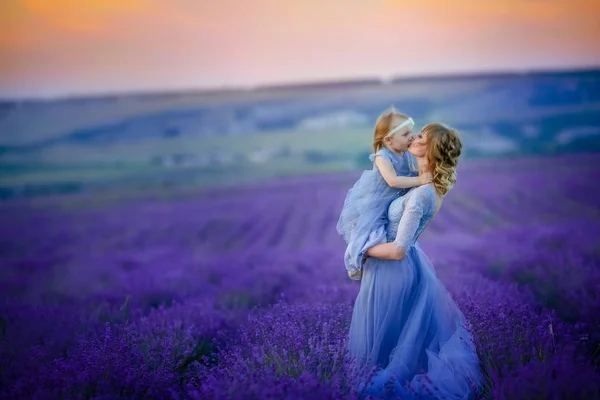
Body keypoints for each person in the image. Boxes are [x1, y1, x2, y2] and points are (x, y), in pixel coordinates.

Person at [348, 123, 482, 399]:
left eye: (420, 136)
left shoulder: (422, 193)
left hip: (394, 269)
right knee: (392, 341)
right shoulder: (417, 181)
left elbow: (398, 249)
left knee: (386, 344)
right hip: (398, 268)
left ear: (430, 150)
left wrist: (360, 249)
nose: (413, 137)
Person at [337, 109, 432, 280]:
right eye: (405, 134)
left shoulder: (405, 154)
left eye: (411, 132)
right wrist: (420, 180)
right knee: (371, 232)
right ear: (388, 140)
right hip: (378, 201)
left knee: (385, 234)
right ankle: (354, 256)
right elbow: (393, 181)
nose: (411, 137)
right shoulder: (382, 156)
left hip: (394, 201)